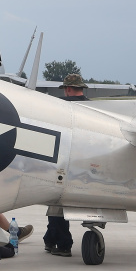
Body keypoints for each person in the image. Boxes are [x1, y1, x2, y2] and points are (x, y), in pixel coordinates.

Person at [45, 76, 88, 256]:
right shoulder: (93, 107)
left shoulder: (62, 107)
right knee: (56, 205)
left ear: (68, 89)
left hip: (64, 160)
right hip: (85, 162)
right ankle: (50, 239)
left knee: (56, 203)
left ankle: (63, 244)